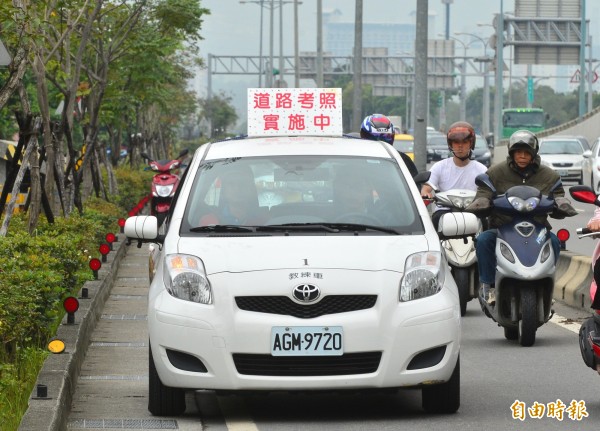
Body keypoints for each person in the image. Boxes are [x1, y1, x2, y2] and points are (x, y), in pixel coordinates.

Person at [467, 129, 577, 306]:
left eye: (527, 152)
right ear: (512, 153)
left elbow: (558, 195)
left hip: (538, 228)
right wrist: (482, 202)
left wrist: (562, 205)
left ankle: (547, 284)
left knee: (555, 242)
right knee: (484, 240)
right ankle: (489, 286)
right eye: (519, 152)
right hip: (503, 226)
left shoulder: (549, 175)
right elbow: (483, 191)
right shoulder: (495, 172)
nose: (523, 156)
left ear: (533, 154)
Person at [420, 121, 487, 229]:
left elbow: (487, 191)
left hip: (472, 211)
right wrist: (426, 194)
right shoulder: (439, 167)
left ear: (471, 143)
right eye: (456, 142)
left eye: (464, 142)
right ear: (450, 144)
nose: (460, 146)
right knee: (435, 220)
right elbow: (426, 189)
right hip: (444, 211)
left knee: (485, 224)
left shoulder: (481, 169)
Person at [199, 168, 267, 225]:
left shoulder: (265, 222)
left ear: (251, 190)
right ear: (223, 191)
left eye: (242, 183)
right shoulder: (209, 222)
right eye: (231, 184)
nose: (237, 189)